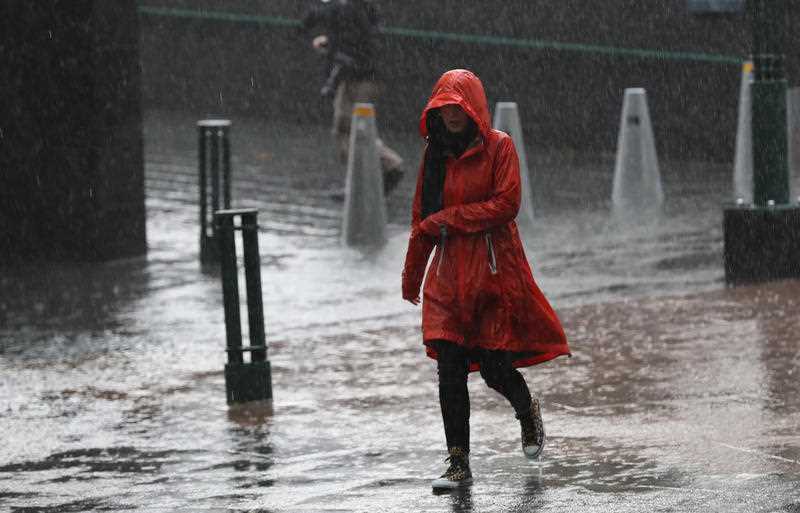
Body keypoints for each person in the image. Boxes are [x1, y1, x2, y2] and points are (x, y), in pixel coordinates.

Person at [401, 69, 571, 490]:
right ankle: (458, 463)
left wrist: (451, 220)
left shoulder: (500, 148)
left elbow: (506, 204)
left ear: (472, 107)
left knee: (496, 368)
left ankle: (526, 410)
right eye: (443, 108)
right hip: (446, 281)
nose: (451, 115)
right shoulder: (434, 155)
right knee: (449, 372)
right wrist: (412, 275)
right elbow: (423, 218)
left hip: (492, 276)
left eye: (457, 107)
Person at [300, 0, 404, 195]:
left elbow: (318, 16)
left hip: (356, 78)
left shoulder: (346, 8)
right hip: (365, 75)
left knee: (349, 130)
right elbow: (361, 35)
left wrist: (331, 42)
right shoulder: (362, 9)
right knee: (352, 129)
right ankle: (368, 178)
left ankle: (385, 167)